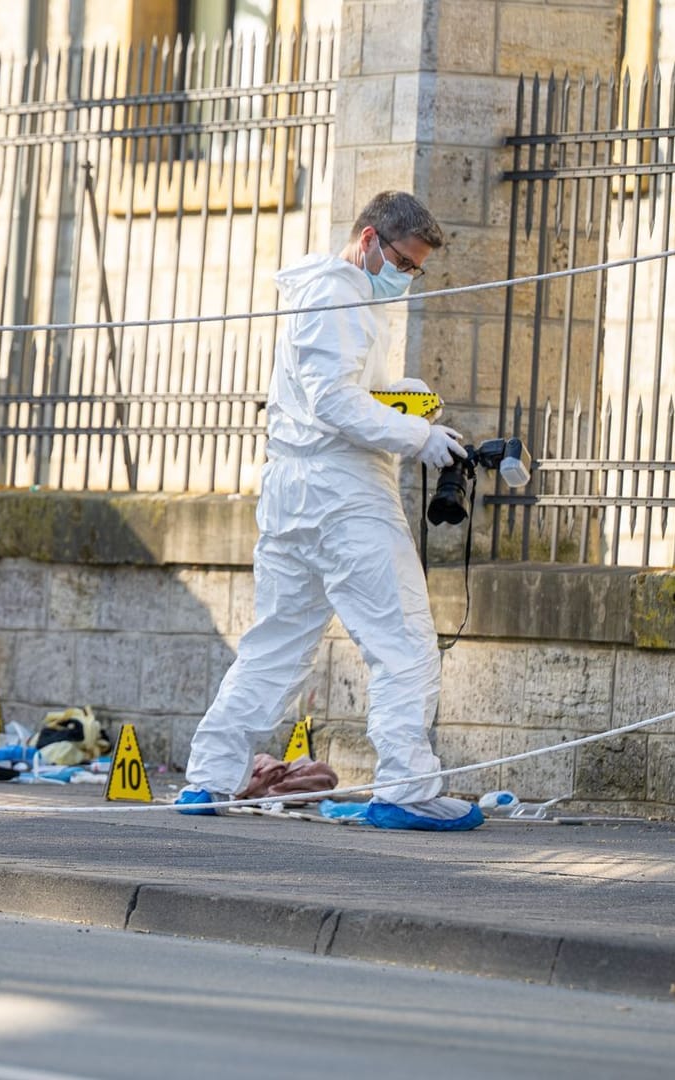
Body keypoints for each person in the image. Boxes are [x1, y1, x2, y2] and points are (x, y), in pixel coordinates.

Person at [176, 191, 481, 832]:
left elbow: (336, 395)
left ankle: (210, 776)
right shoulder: (339, 294)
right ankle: (405, 785)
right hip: (341, 496)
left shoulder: (335, 297)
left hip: (294, 495)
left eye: (417, 270)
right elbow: (332, 405)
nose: (408, 278)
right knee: (404, 643)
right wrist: (416, 437)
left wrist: (405, 404)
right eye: (404, 262)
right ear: (368, 239)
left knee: (278, 644)